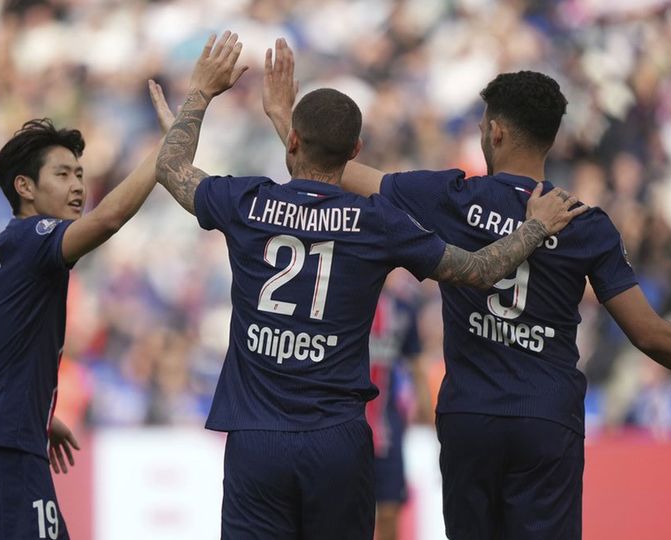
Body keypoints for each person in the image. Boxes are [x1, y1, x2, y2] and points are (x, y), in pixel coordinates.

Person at [262, 39, 671, 539]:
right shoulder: (586, 224)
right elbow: (647, 333)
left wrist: (284, 119)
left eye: (482, 126)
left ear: (495, 131)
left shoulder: (450, 198)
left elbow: (334, 172)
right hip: (546, 420)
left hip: (470, 417)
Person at [154, 31, 585, 540]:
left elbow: (171, 167)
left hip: (256, 436)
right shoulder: (378, 222)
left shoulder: (246, 203)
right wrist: (534, 228)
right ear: (355, 150)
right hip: (337, 440)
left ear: (292, 141)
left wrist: (200, 93)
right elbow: (479, 270)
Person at [0, 81, 174, 539]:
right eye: (63, 174)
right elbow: (108, 219)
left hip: (1, 437)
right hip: (3, 447)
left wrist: (38, 413)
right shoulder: (33, 240)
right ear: (25, 187)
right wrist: (167, 152)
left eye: (80, 174)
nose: (77, 187)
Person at [366, 276, 432, 540]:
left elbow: (416, 363)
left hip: (387, 425)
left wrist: (426, 406)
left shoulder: (402, 308)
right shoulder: (347, 300)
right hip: (348, 421)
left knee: (389, 509)